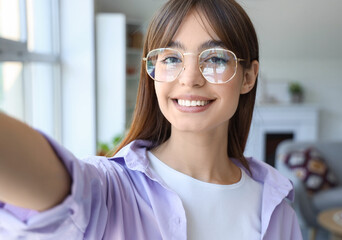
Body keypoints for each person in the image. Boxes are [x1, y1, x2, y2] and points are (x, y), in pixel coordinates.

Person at [0, 0, 303, 239]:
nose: (190, 79)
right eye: (171, 58)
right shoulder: (107, 191)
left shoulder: (278, 213)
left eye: (215, 58)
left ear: (248, 77)